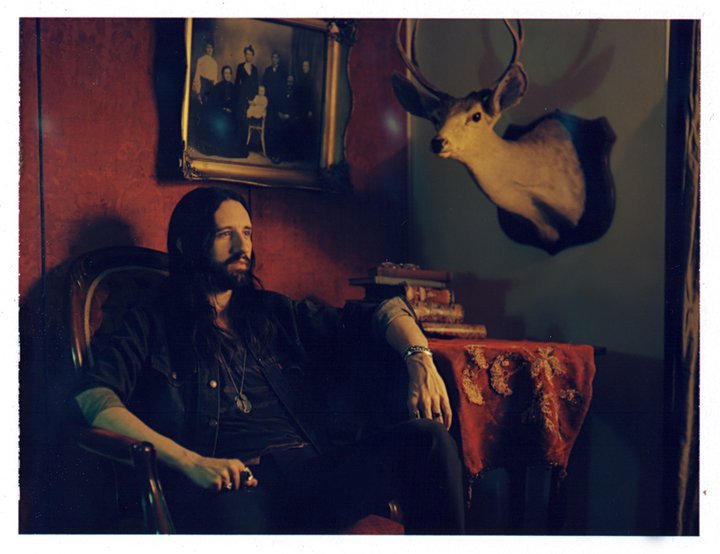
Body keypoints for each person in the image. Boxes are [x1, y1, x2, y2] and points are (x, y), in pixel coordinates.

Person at [72, 187, 465, 534]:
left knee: (428, 440)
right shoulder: (150, 321)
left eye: (247, 233)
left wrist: (420, 360)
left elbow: (379, 313)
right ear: (187, 244)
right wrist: (193, 463)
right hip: (231, 485)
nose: (243, 247)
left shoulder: (274, 313)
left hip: (314, 474)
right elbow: (93, 398)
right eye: (225, 234)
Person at [235, 45, 260, 139]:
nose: (248, 56)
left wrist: (253, 99)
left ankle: (247, 141)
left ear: (253, 56)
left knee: (249, 118)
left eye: (250, 54)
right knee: (240, 117)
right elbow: (237, 83)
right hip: (241, 96)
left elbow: (256, 85)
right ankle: (239, 140)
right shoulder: (240, 67)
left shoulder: (255, 69)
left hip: (251, 98)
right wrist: (240, 97)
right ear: (244, 55)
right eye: (247, 54)